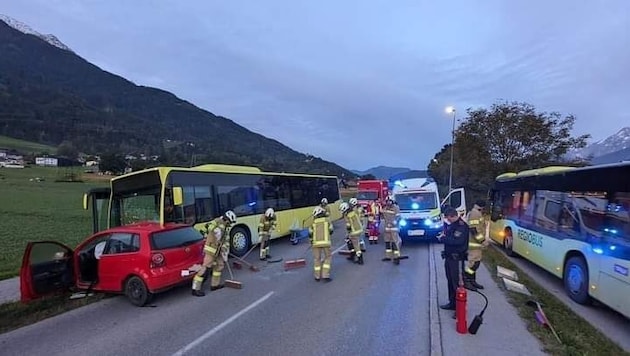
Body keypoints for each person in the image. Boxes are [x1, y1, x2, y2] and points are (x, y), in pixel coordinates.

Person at [192, 210, 237, 297]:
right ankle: (195, 289)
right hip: (211, 250)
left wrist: (225, 251)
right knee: (204, 269)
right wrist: (215, 230)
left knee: (220, 266)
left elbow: (226, 240)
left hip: (219, 251)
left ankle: (214, 285)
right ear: (226, 219)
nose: (230, 224)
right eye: (229, 222)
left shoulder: (226, 227)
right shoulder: (216, 221)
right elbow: (207, 227)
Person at [439, 207, 469, 310]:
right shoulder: (452, 225)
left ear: (453, 216)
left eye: (448, 218)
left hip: (457, 259)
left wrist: (443, 239)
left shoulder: (461, 226)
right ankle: (452, 303)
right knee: (450, 281)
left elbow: (457, 242)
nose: (448, 220)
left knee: (457, 283)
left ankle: (460, 308)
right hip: (449, 258)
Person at [463, 201, 489, 290]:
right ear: (482, 207)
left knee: (476, 263)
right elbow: (473, 229)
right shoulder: (475, 214)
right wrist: (482, 241)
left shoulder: (477, 213)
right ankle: (466, 280)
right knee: (473, 264)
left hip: (476, 245)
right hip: (473, 244)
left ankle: (472, 280)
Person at [309, 206, 333, 282]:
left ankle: (317, 276)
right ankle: (325, 275)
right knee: (328, 257)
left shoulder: (313, 222)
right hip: (326, 243)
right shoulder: (327, 220)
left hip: (316, 244)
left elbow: (310, 233)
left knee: (317, 259)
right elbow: (331, 230)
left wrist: (311, 241)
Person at [381, 196, 402, 264]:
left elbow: (398, 217)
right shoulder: (385, 207)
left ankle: (396, 258)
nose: (388, 203)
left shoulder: (396, 208)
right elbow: (382, 214)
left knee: (394, 243)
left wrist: (394, 222)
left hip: (394, 229)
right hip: (387, 229)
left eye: (389, 201)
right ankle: (388, 256)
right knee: (387, 243)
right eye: (387, 201)